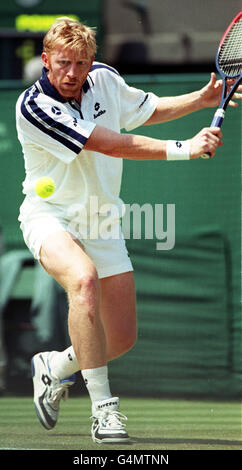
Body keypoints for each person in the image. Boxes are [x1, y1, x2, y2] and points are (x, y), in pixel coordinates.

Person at [15, 17, 241, 444]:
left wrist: (201, 98)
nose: (71, 73)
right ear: (45, 60)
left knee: (120, 337)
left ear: (91, 62)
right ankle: (104, 411)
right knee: (83, 280)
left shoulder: (104, 79)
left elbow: (144, 110)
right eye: (62, 63)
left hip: (103, 220)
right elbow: (108, 142)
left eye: (81, 63)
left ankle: (56, 367)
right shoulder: (33, 106)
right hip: (50, 216)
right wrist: (185, 148)